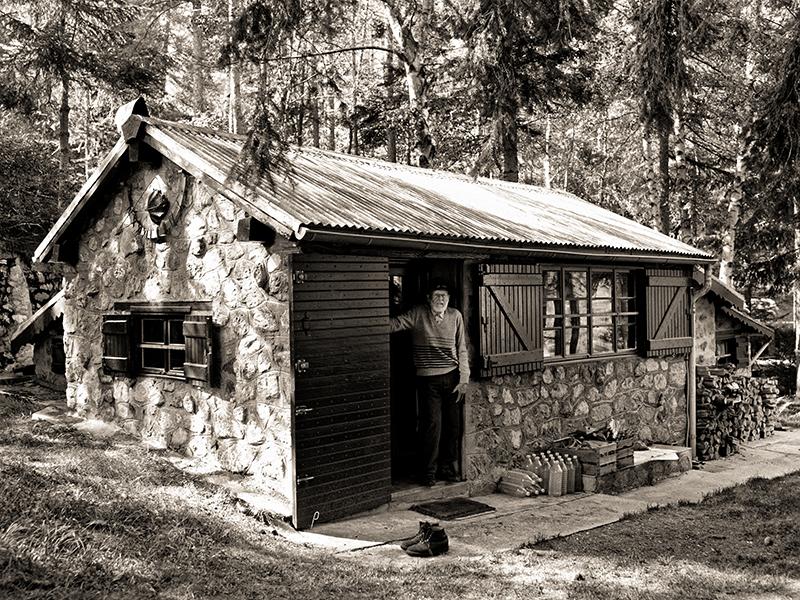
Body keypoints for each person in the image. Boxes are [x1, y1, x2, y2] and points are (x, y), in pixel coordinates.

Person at [390, 279, 470, 486]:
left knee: (453, 426)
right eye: (436, 295)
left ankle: (446, 468)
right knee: (432, 425)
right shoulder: (418, 314)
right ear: (429, 298)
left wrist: (464, 378)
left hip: (452, 377)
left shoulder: (455, 316)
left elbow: (462, 348)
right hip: (427, 379)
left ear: (449, 299)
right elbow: (396, 324)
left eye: (444, 296)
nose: (440, 299)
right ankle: (428, 472)